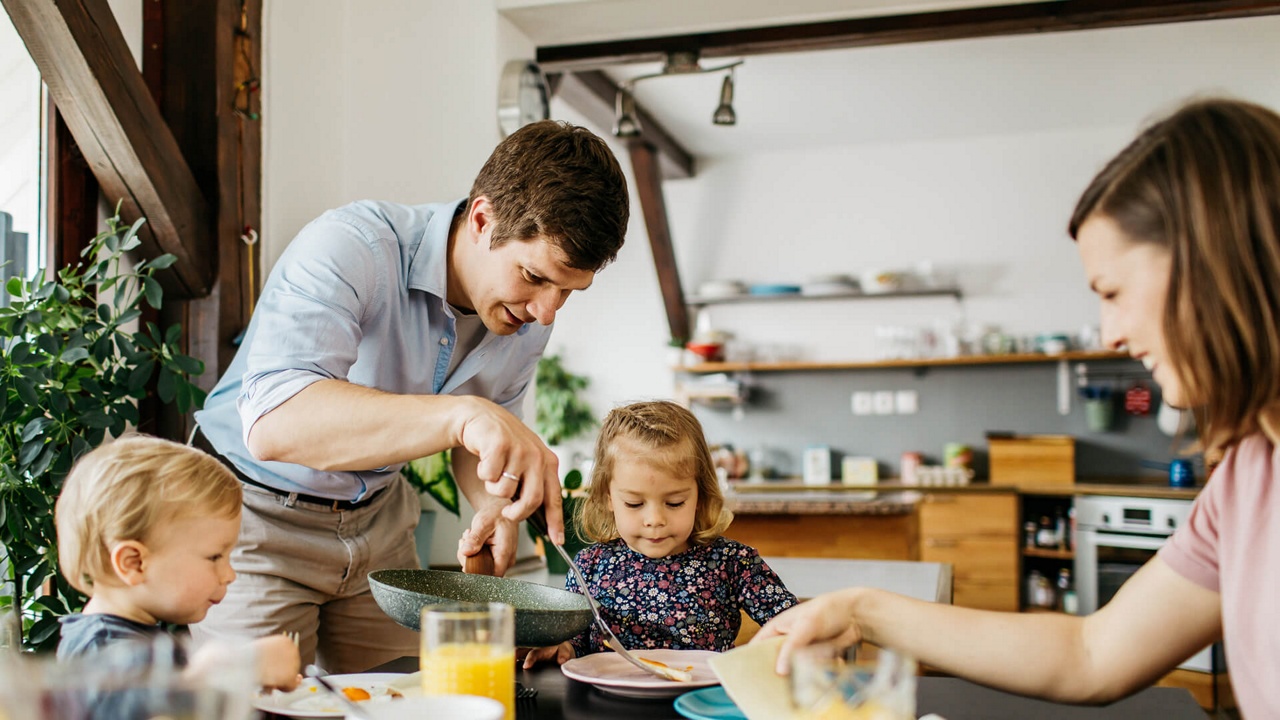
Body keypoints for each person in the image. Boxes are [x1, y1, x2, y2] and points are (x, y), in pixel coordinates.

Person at [754, 97, 1280, 717]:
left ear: (1213, 261)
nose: (1109, 332)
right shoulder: (1249, 473)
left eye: (1112, 291)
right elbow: (1092, 653)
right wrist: (860, 608)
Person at [190, 119, 629, 673]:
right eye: (534, 277)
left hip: (379, 526)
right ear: (481, 218)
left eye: (568, 291)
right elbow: (275, 422)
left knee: (409, 704)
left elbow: (479, 444)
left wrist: (492, 504)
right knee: (258, 710)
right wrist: (464, 415)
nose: (547, 312)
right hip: (248, 519)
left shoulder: (529, 312)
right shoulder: (352, 247)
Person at [523, 401, 797, 667]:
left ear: (700, 495)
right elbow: (577, 642)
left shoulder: (734, 562)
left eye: (675, 503)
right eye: (634, 504)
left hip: (703, 704)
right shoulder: (587, 567)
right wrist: (563, 648)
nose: (655, 520)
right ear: (608, 497)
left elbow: (793, 623)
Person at [54, 435, 300, 689]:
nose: (229, 575)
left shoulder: (137, 638)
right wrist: (235, 667)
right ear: (133, 563)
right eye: (214, 556)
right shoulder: (103, 653)